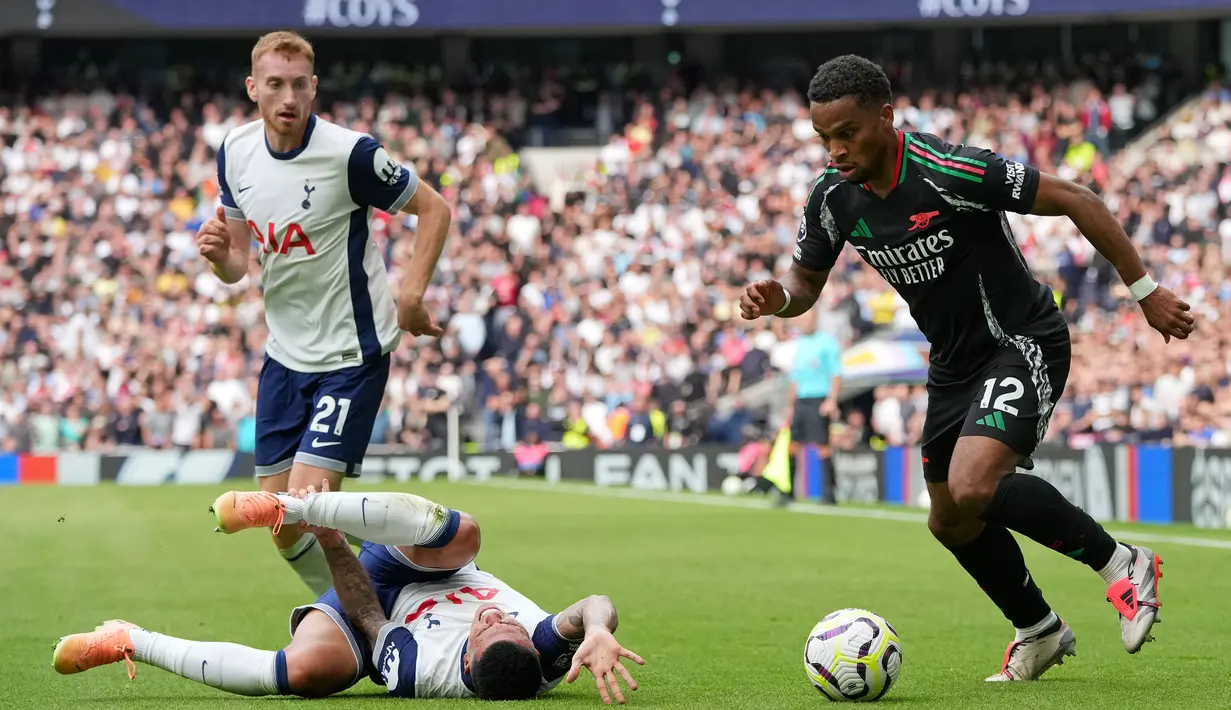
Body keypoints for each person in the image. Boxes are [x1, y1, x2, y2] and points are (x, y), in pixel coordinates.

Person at [740, 55, 1194, 682]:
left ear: (886, 117)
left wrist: (1145, 291)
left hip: (1021, 339)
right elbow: (805, 280)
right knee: (950, 516)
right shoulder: (832, 196)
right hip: (952, 366)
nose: (836, 150)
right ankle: (1038, 629)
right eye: (824, 137)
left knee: (977, 485)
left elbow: (1076, 197)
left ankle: (1122, 563)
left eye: (847, 133)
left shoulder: (949, 169)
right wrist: (779, 301)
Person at [195, 30, 453, 594]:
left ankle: (374, 625)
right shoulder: (235, 150)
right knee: (282, 525)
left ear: (314, 88)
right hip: (284, 355)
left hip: (350, 351)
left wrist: (409, 296)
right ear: (253, 89)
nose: (287, 97)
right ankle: (388, 595)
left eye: (298, 85)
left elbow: (434, 208)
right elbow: (239, 261)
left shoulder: (350, 154)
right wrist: (220, 258)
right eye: (274, 85)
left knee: (310, 507)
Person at [52, 485, 644, 704]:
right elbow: (595, 601)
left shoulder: (420, 670)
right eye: (508, 620)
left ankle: (129, 638)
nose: (495, 612)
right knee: (467, 534)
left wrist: (335, 544)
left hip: (381, 603)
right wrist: (596, 629)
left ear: (468, 658)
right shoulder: (539, 652)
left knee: (306, 672)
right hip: (426, 562)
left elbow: (365, 611)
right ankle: (289, 506)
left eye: (488, 626)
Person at [786, 316, 843, 504]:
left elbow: (836, 373)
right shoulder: (800, 343)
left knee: (823, 446)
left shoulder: (827, 343)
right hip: (801, 400)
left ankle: (829, 493)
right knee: (792, 445)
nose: (805, 322)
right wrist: (790, 404)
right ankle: (789, 491)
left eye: (809, 318)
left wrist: (831, 400)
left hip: (819, 398)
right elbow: (795, 376)